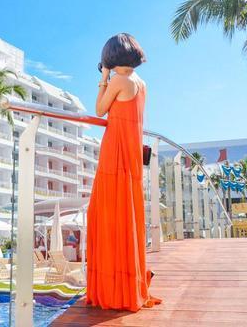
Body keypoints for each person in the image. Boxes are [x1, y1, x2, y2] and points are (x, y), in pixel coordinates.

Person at [86, 33, 162, 311]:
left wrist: (103, 78)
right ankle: (126, 284)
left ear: (110, 57)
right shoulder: (141, 83)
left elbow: (100, 109)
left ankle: (112, 290)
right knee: (124, 216)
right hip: (130, 155)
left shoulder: (119, 80)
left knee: (104, 213)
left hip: (115, 150)